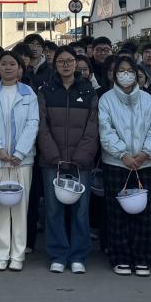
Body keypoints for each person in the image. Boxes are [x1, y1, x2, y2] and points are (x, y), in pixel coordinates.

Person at [35, 47, 99, 273]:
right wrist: (54, 156)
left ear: (76, 63)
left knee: (81, 210)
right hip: (52, 161)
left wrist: (81, 156)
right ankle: (58, 255)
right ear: (55, 65)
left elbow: (93, 127)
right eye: (61, 61)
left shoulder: (89, 91)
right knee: (53, 209)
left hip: (82, 162)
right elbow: (41, 127)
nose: (65, 65)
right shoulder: (46, 91)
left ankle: (78, 256)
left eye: (69, 61)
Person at [98, 55, 151, 276]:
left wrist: (145, 154)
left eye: (130, 70)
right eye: (121, 70)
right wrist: (123, 154)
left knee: (143, 214)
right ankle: (120, 257)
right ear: (114, 74)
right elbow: (106, 131)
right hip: (116, 164)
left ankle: (143, 258)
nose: (125, 74)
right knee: (117, 215)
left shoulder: (148, 100)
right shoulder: (106, 100)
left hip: (144, 164)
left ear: (137, 74)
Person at [0, 52, 40, 271]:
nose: (8, 67)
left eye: (13, 64)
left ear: (20, 68)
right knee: (0, 208)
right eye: (4, 63)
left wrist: (20, 152)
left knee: (21, 208)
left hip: (22, 161)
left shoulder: (29, 94)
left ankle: (18, 254)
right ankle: (2, 254)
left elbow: (33, 123)